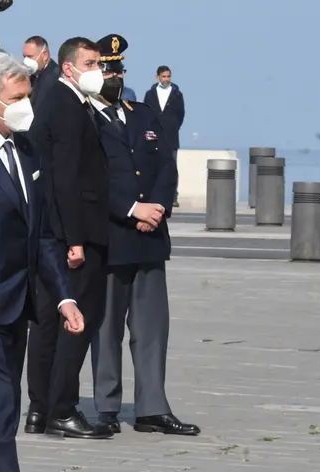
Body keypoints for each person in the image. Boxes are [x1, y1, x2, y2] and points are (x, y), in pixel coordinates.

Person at [0, 52, 84, 472]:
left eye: (29, 94)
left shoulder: (27, 150)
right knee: (3, 401)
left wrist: (64, 298)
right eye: (17, 96)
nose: (27, 104)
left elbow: (41, 233)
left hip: (20, 301)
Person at [89, 34, 200, 437]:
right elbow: (91, 178)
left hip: (150, 236)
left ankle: (153, 406)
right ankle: (106, 406)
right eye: (105, 69)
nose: (113, 75)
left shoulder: (142, 114)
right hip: (112, 234)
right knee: (106, 329)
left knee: (152, 328)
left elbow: (165, 166)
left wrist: (157, 208)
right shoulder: (86, 120)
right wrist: (132, 209)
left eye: (117, 69)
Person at [25, 36, 112, 439]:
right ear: (68, 67)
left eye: (99, 63)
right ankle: (62, 407)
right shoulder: (65, 104)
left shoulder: (67, 101)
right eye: (90, 62)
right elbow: (64, 176)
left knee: (47, 321)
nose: (98, 69)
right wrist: (74, 238)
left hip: (57, 230)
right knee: (77, 320)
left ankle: (40, 408)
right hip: (74, 231)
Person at [143, 65, 184, 207]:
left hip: (171, 137)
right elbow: (145, 112)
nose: (166, 79)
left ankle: (173, 196)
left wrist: (173, 127)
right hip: (154, 136)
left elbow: (181, 114)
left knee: (171, 166)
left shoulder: (177, 94)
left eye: (168, 76)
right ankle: (153, 194)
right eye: (164, 77)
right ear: (158, 77)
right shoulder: (150, 94)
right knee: (153, 165)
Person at [22, 36, 59, 112]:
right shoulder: (30, 78)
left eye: (30, 56)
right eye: (24, 56)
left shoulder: (57, 77)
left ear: (45, 55)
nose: (26, 61)